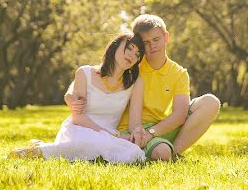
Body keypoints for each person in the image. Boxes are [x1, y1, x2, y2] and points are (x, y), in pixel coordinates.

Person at [67, 14, 221, 162]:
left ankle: (174, 153)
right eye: (145, 43)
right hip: (132, 130)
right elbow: (98, 74)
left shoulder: (179, 73)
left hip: (160, 127)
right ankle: (160, 152)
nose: (152, 46)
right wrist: (69, 95)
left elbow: (180, 115)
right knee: (161, 152)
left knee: (211, 102)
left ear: (166, 37)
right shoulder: (132, 63)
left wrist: (151, 133)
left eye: (156, 39)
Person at [10, 31, 147, 164]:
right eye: (129, 48)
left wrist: (136, 133)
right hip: (80, 129)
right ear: (115, 46)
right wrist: (110, 135)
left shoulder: (135, 83)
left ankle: (51, 148)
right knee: (92, 143)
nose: (132, 55)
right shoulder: (85, 73)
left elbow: (134, 124)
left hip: (109, 135)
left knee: (135, 154)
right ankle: (38, 152)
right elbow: (78, 117)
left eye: (137, 55)